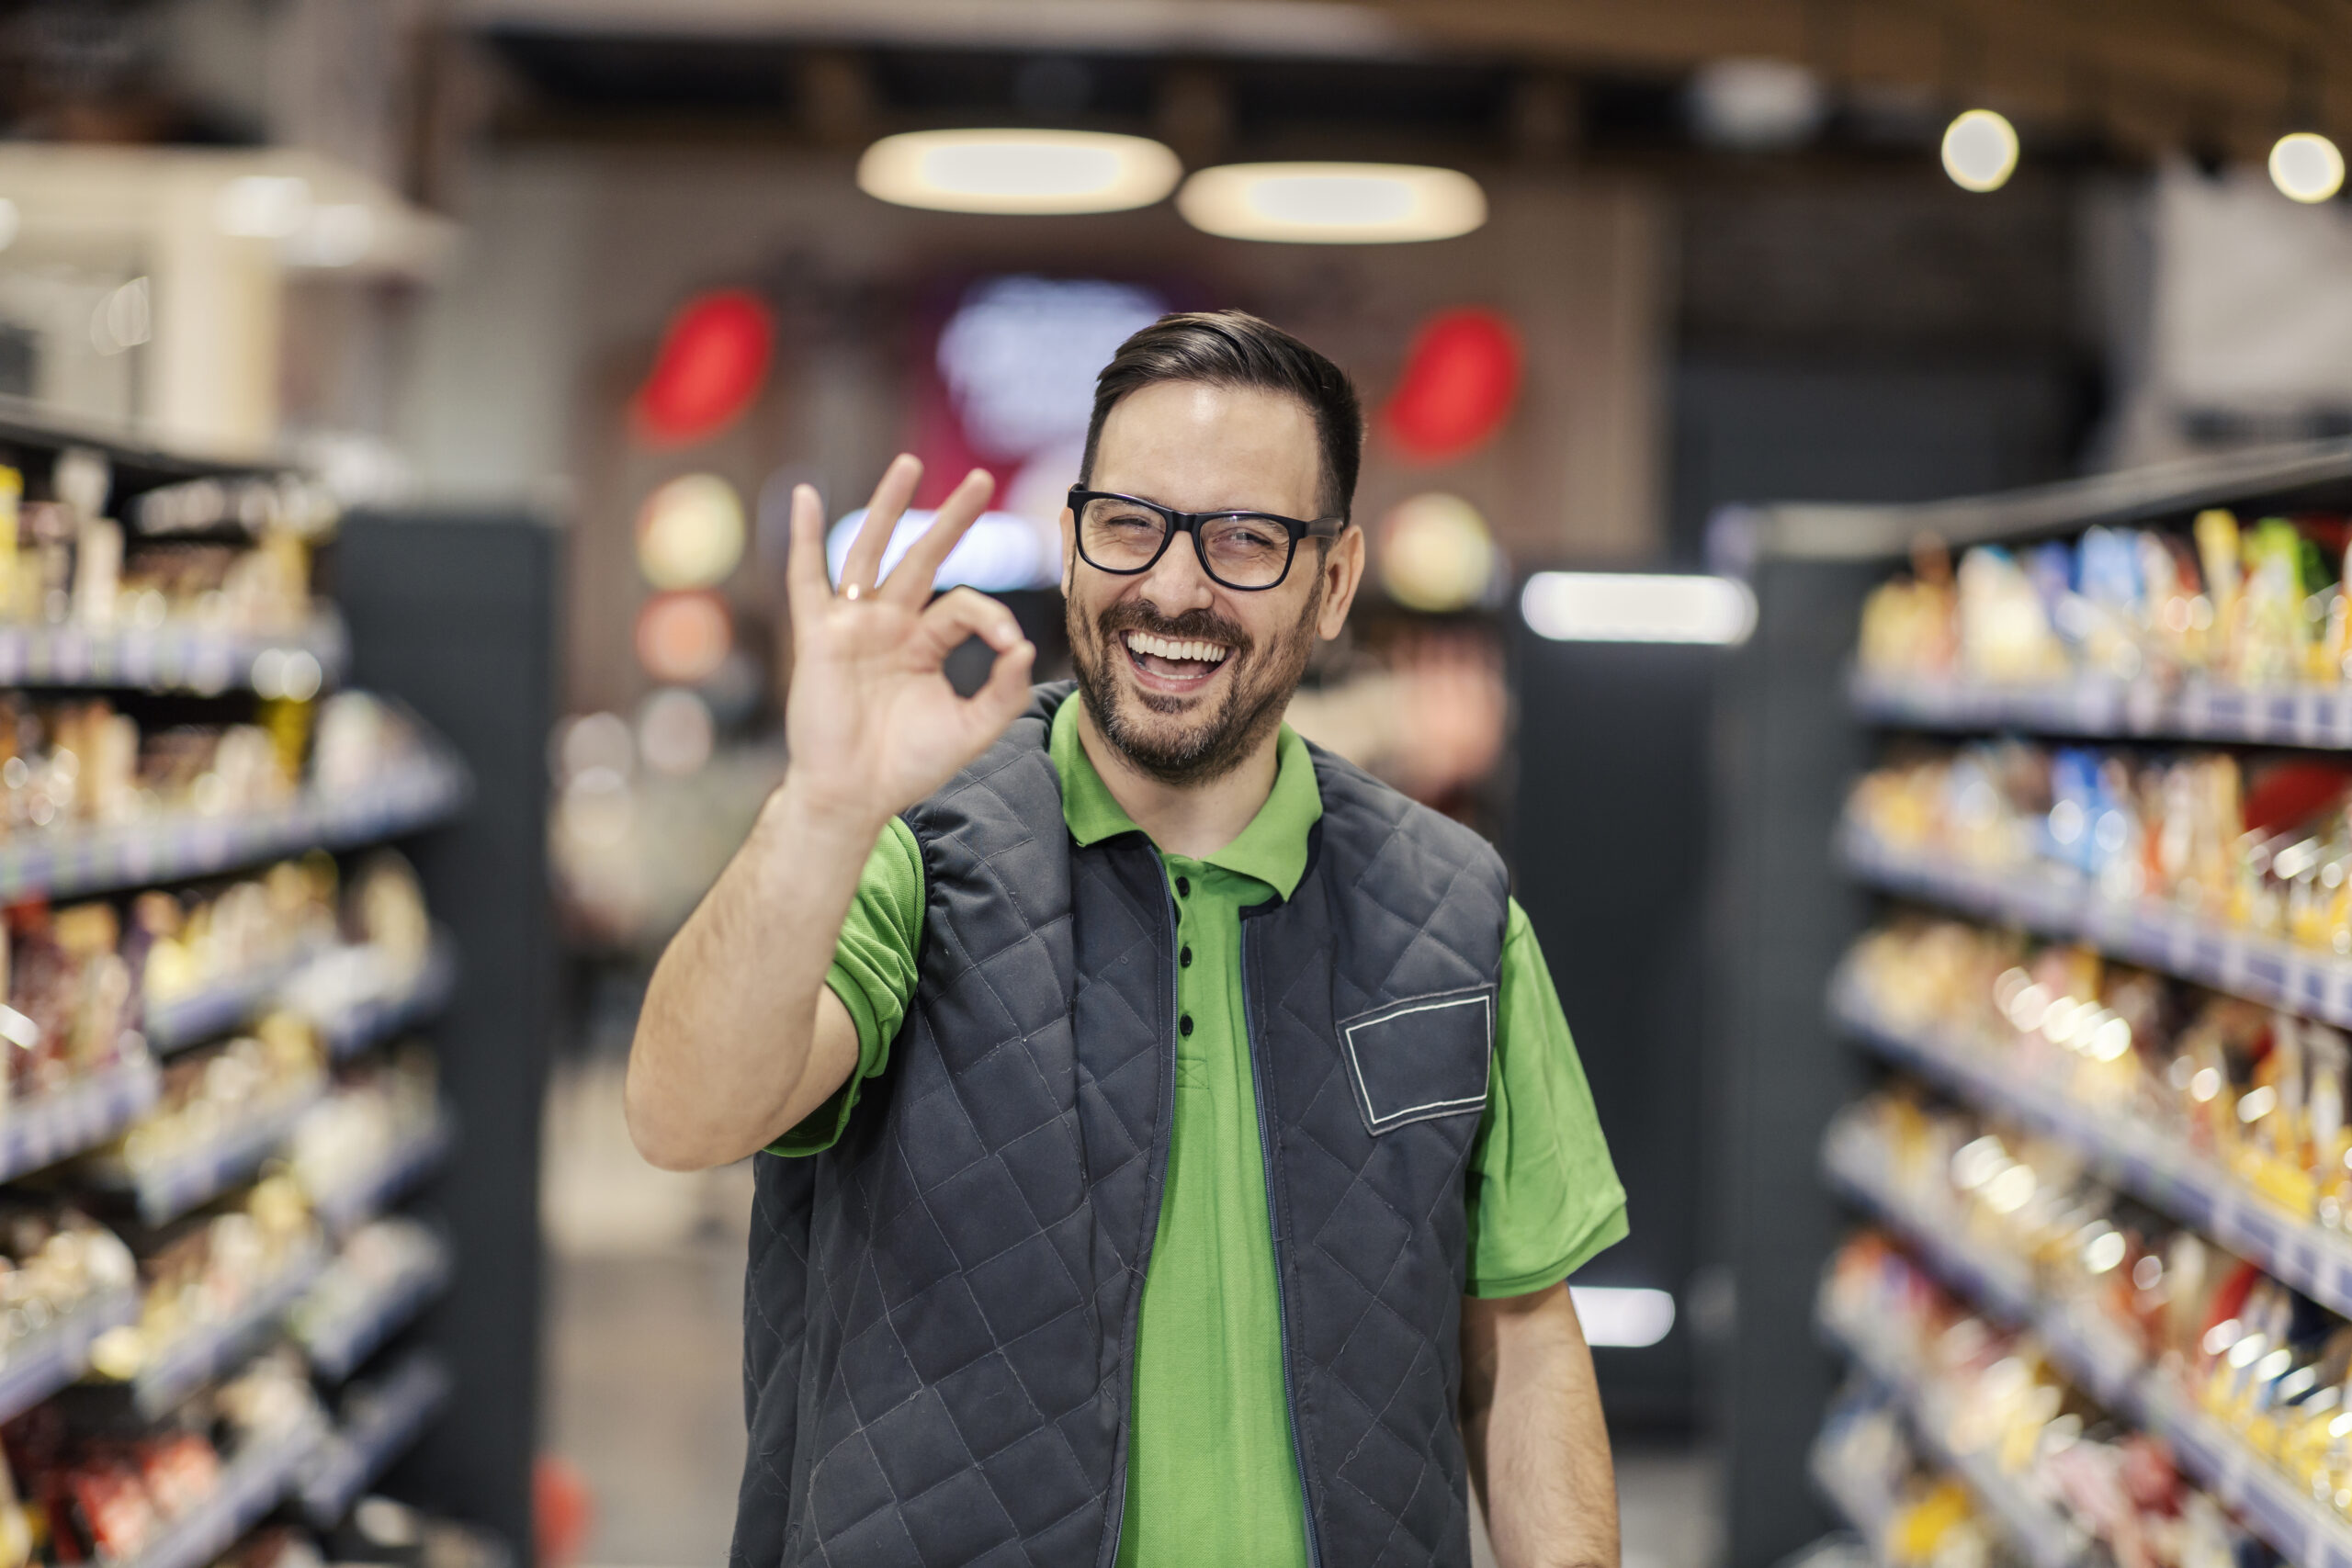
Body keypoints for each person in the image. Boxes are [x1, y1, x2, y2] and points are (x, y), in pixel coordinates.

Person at [626, 311, 1627, 1568]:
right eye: (1128, 523)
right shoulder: (912, 849)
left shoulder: (1452, 906)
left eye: (1247, 540)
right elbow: (683, 1118)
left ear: (1335, 581)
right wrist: (821, 808)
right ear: (1073, 537)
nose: (1170, 588)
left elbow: (1522, 1337)